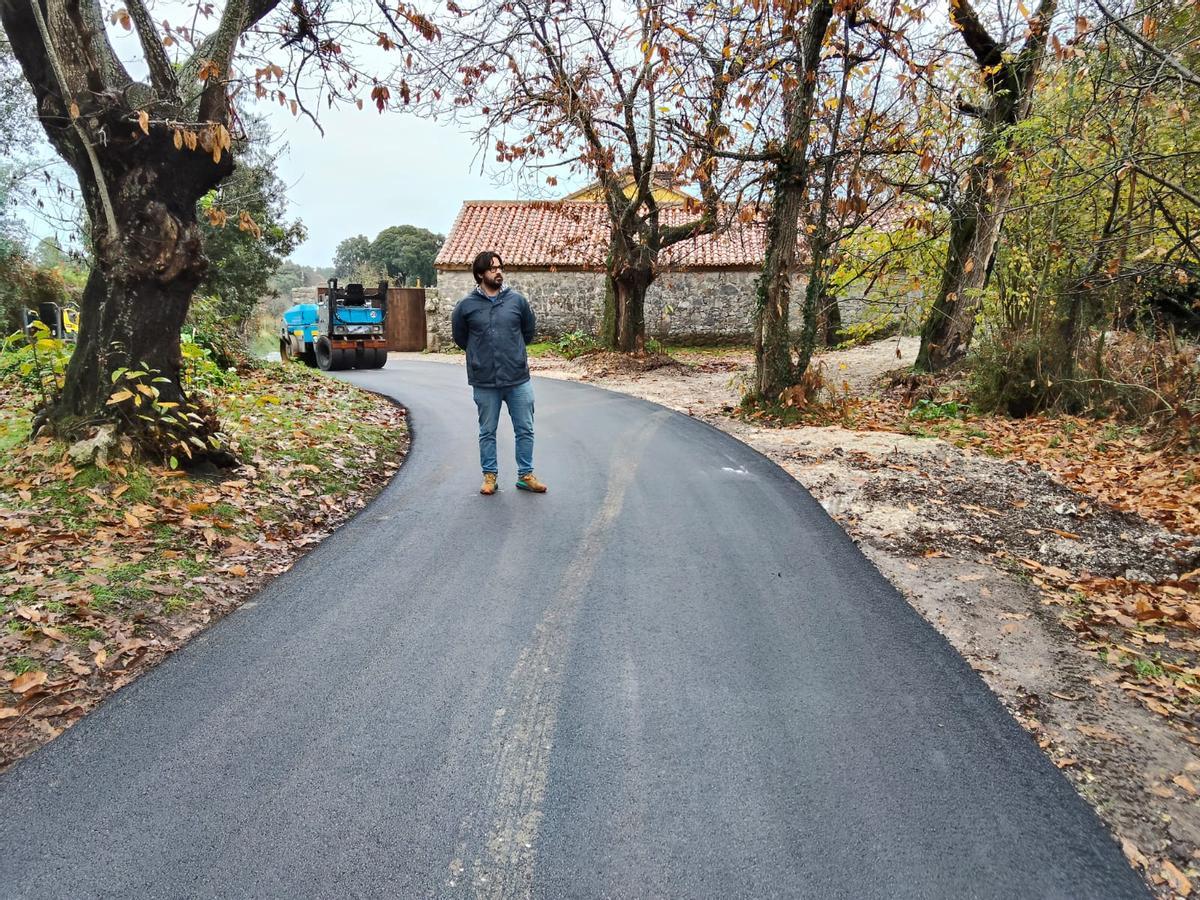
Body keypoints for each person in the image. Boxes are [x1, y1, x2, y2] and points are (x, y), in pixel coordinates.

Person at [451, 251, 548, 495]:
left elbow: (528, 332)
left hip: (517, 378)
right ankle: (490, 476)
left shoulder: (517, 301)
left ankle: (525, 475)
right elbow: (461, 338)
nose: (498, 271)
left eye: (500, 267)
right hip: (484, 380)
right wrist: (479, 357)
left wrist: (513, 354)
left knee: (525, 428)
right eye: (492, 268)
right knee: (487, 431)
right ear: (480, 274)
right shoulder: (466, 306)